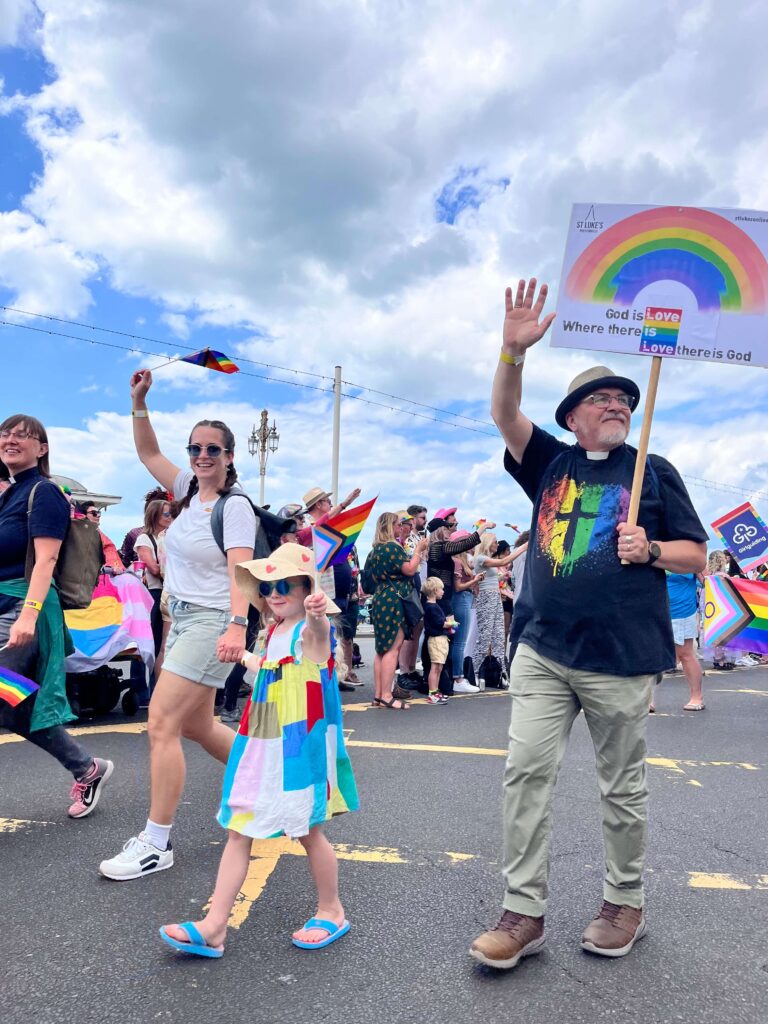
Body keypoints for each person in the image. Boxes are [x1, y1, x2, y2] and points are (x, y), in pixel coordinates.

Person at [470, 278, 707, 970]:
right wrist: (512, 351)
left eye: (625, 399)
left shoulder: (653, 472)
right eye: (602, 398)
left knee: (621, 787)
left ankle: (623, 902)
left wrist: (655, 549)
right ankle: (522, 914)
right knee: (525, 774)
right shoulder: (550, 462)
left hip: (622, 656)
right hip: (543, 649)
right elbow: (504, 413)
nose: (618, 405)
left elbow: (698, 553)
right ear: (573, 417)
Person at [158, 543, 359, 957]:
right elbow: (270, 669)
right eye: (267, 586)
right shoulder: (276, 631)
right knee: (239, 827)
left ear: (308, 587)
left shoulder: (309, 631)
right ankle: (215, 925)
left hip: (297, 747)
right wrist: (244, 655)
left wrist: (320, 617)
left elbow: (318, 645)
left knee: (307, 830)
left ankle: (332, 909)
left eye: (285, 584)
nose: (274, 593)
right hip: (260, 743)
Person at [99, 369, 256, 880]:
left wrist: (236, 625)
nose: (202, 456)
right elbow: (148, 453)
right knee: (195, 724)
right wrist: (139, 402)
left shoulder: (235, 507)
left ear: (230, 457)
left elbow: (240, 570)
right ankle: (269, 774)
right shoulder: (188, 488)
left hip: (213, 622)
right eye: (195, 449)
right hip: (184, 618)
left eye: (214, 449)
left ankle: (156, 843)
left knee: (161, 723)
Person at [0, 414, 113, 818]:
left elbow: (46, 558)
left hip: (22, 609)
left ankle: (87, 767)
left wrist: (27, 617)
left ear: (42, 449)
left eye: (23, 435)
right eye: (6, 433)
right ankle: (87, 766)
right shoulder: (9, 495)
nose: (11, 439)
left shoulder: (43, 492)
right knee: (10, 706)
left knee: (3, 696)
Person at [367, 512, 428, 710]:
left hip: (380, 598)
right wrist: (418, 550)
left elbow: (369, 581)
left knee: (381, 650)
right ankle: (386, 695)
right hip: (394, 600)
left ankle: (378, 695)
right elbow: (410, 570)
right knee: (393, 648)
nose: (400, 527)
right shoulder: (392, 547)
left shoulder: (374, 550)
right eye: (398, 524)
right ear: (390, 525)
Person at [135, 497, 172, 686]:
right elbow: (154, 569)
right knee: (148, 641)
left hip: (164, 591)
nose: (170, 517)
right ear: (155, 515)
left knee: (160, 643)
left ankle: (153, 687)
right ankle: (142, 687)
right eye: (166, 513)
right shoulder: (145, 538)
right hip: (153, 593)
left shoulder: (166, 537)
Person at [471, 532, 517, 686]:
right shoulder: (481, 558)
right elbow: (504, 560)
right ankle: (474, 672)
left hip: (495, 596)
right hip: (486, 598)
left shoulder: (486, 560)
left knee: (498, 637)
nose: (497, 545)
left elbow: (490, 577)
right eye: (495, 542)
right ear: (488, 543)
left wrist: (500, 579)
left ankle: (501, 673)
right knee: (485, 637)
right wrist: (525, 546)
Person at [663, 572, 705, 712]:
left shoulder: (690, 552)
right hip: (655, 609)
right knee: (650, 653)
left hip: (682, 611)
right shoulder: (653, 550)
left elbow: (705, 580)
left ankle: (696, 697)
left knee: (685, 654)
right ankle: (647, 701)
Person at [398, 504, 428, 687]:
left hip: (421, 586)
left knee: (417, 630)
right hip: (410, 587)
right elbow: (410, 564)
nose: (425, 521)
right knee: (409, 631)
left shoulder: (419, 538)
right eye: (422, 518)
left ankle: (411, 668)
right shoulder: (407, 541)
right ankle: (403, 671)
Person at [450, 530, 484, 688]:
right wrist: (474, 581)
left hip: (464, 598)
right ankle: (458, 678)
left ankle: (457, 676)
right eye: (467, 541)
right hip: (461, 598)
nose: (470, 544)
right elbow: (458, 587)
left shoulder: (461, 560)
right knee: (460, 641)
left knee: (459, 640)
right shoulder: (457, 561)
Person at [421, 577, 451, 705]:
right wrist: (451, 623)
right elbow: (440, 623)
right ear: (434, 591)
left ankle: (435, 691)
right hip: (436, 639)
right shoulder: (432, 607)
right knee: (435, 667)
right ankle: (432, 693)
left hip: (439, 639)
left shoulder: (432, 606)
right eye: (441, 589)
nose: (443, 591)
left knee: (438, 667)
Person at [78, 504, 124, 573]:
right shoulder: (78, 532)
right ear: (84, 515)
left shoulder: (100, 534)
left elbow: (110, 553)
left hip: (108, 571)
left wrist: (114, 567)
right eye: (94, 513)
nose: (98, 515)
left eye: (99, 513)